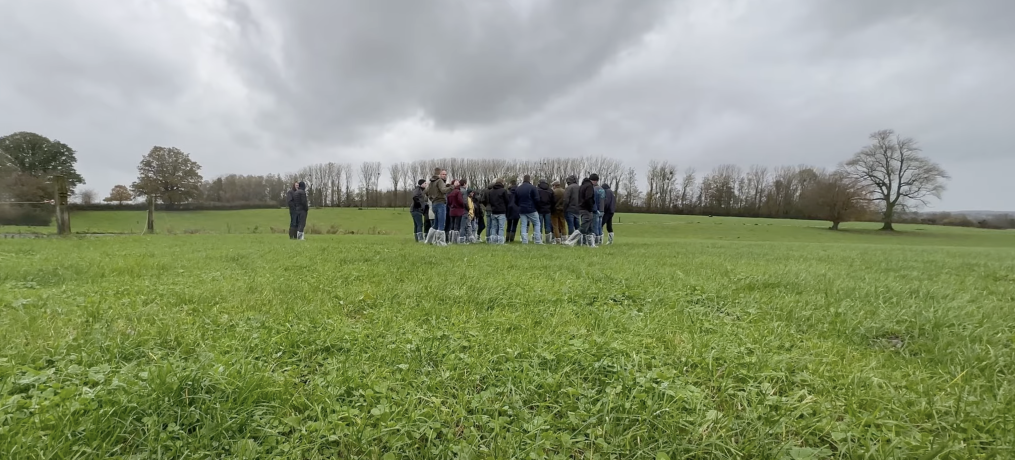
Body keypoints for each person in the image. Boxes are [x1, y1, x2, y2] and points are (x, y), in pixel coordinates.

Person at [424, 168, 453, 245]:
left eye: (445, 174)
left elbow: (426, 191)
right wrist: (451, 187)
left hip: (434, 204)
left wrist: (431, 197)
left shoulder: (431, 182)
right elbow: (443, 190)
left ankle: (429, 241)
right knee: (441, 224)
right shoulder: (439, 181)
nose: (444, 175)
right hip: (440, 203)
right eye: (443, 174)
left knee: (435, 224)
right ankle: (440, 242)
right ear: (439, 174)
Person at [514, 175, 542, 244]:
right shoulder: (533, 188)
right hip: (531, 209)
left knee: (523, 224)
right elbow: (537, 199)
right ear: (529, 180)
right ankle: (537, 240)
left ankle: (524, 240)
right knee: (537, 223)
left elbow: (515, 200)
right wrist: (536, 207)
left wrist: (519, 205)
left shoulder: (518, 188)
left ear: (523, 179)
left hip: (521, 209)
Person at [486, 178, 509, 244]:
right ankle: (500, 241)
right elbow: (507, 201)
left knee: (493, 227)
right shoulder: (503, 191)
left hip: (493, 211)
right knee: (501, 227)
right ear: (502, 183)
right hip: (501, 211)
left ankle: (493, 240)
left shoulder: (491, 191)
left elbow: (489, 201)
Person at [577, 174, 598, 247]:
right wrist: (590, 207)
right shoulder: (589, 186)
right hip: (586, 209)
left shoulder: (582, 186)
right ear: (594, 181)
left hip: (581, 208)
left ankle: (591, 244)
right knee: (584, 227)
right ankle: (570, 241)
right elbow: (588, 198)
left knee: (589, 227)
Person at [448, 178, 467, 244]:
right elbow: (460, 201)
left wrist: (451, 206)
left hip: (452, 210)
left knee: (452, 226)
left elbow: (449, 202)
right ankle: (455, 240)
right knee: (457, 225)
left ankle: (450, 239)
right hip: (458, 210)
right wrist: (463, 205)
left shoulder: (450, 192)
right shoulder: (458, 192)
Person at [537, 179, 554, 243]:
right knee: (548, 225)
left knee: (539, 225)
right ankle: (548, 240)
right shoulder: (550, 190)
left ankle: (539, 239)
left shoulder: (537, 190)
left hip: (539, 210)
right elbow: (553, 201)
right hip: (548, 210)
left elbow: (536, 200)